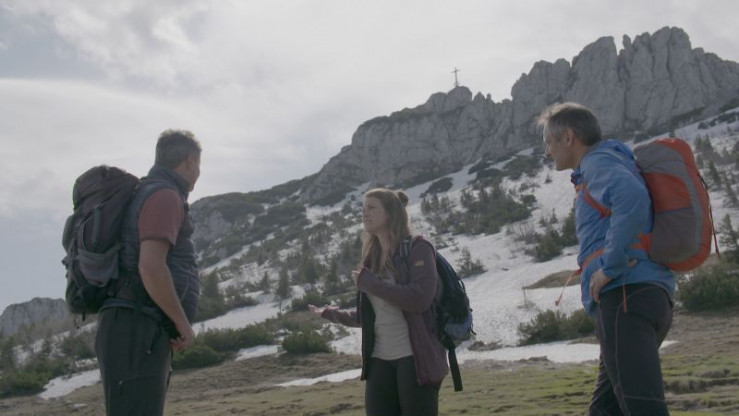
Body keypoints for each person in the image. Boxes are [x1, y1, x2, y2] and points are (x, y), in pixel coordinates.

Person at [538, 102, 675, 415]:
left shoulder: (597, 162)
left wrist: (609, 268)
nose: (546, 152)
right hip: (641, 296)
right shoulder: (609, 161)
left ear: (568, 137)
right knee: (605, 409)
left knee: (643, 408)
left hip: (625, 296)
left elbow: (631, 196)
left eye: (548, 142)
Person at [309, 188, 448, 416]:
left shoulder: (417, 247)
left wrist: (371, 284)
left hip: (415, 359)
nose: (364, 213)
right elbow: (370, 315)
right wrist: (330, 313)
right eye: (363, 208)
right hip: (379, 360)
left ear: (391, 212)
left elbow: (419, 299)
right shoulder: (371, 258)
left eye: (371, 207)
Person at [95, 129, 202, 416]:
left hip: (132, 325)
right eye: (198, 165)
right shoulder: (165, 195)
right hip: (136, 327)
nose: (198, 173)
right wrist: (182, 324)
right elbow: (151, 267)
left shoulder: (147, 192)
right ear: (190, 161)